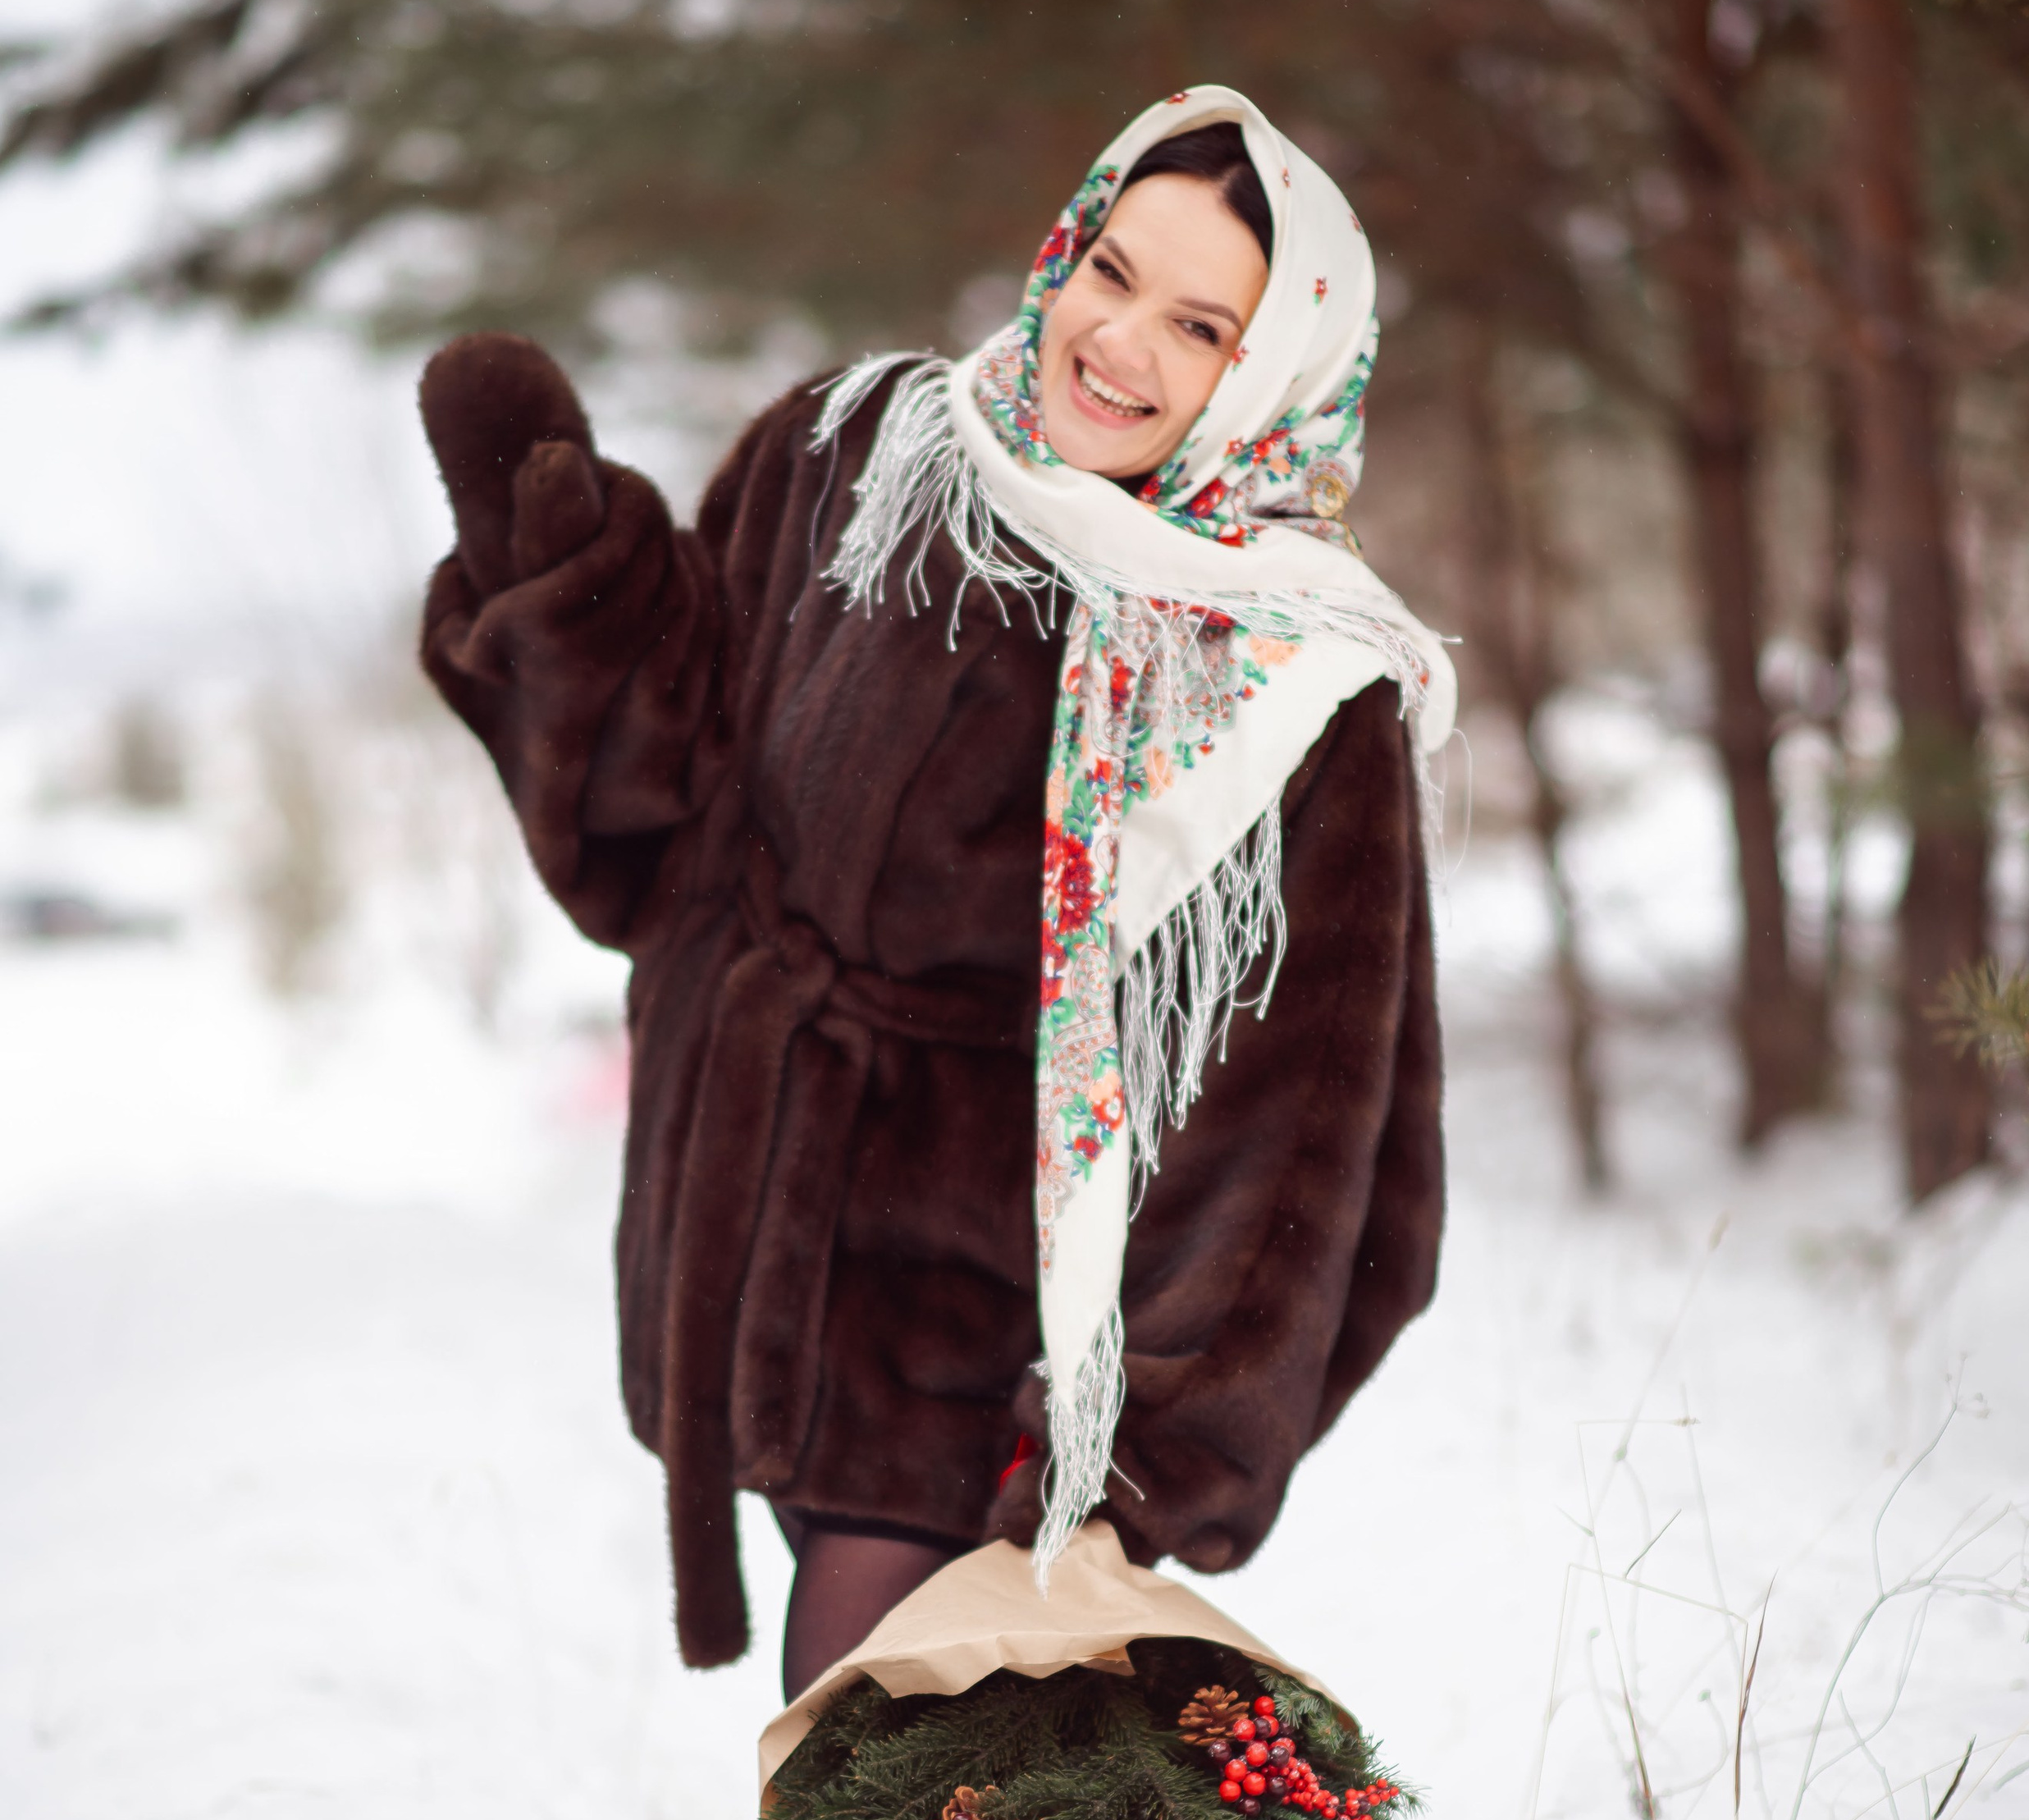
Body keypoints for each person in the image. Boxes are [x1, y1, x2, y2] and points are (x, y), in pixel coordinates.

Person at [417, 85, 1455, 1702]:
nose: (1115, 342)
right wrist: (563, 591)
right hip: (753, 1241)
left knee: (875, 1773)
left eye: (1196, 325)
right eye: (1110, 271)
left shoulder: (1289, 675)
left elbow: (1293, 1125)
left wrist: (1135, 1465)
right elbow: (673, 812)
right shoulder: (863, 448)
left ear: (1270, 373)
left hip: (994, 1351)